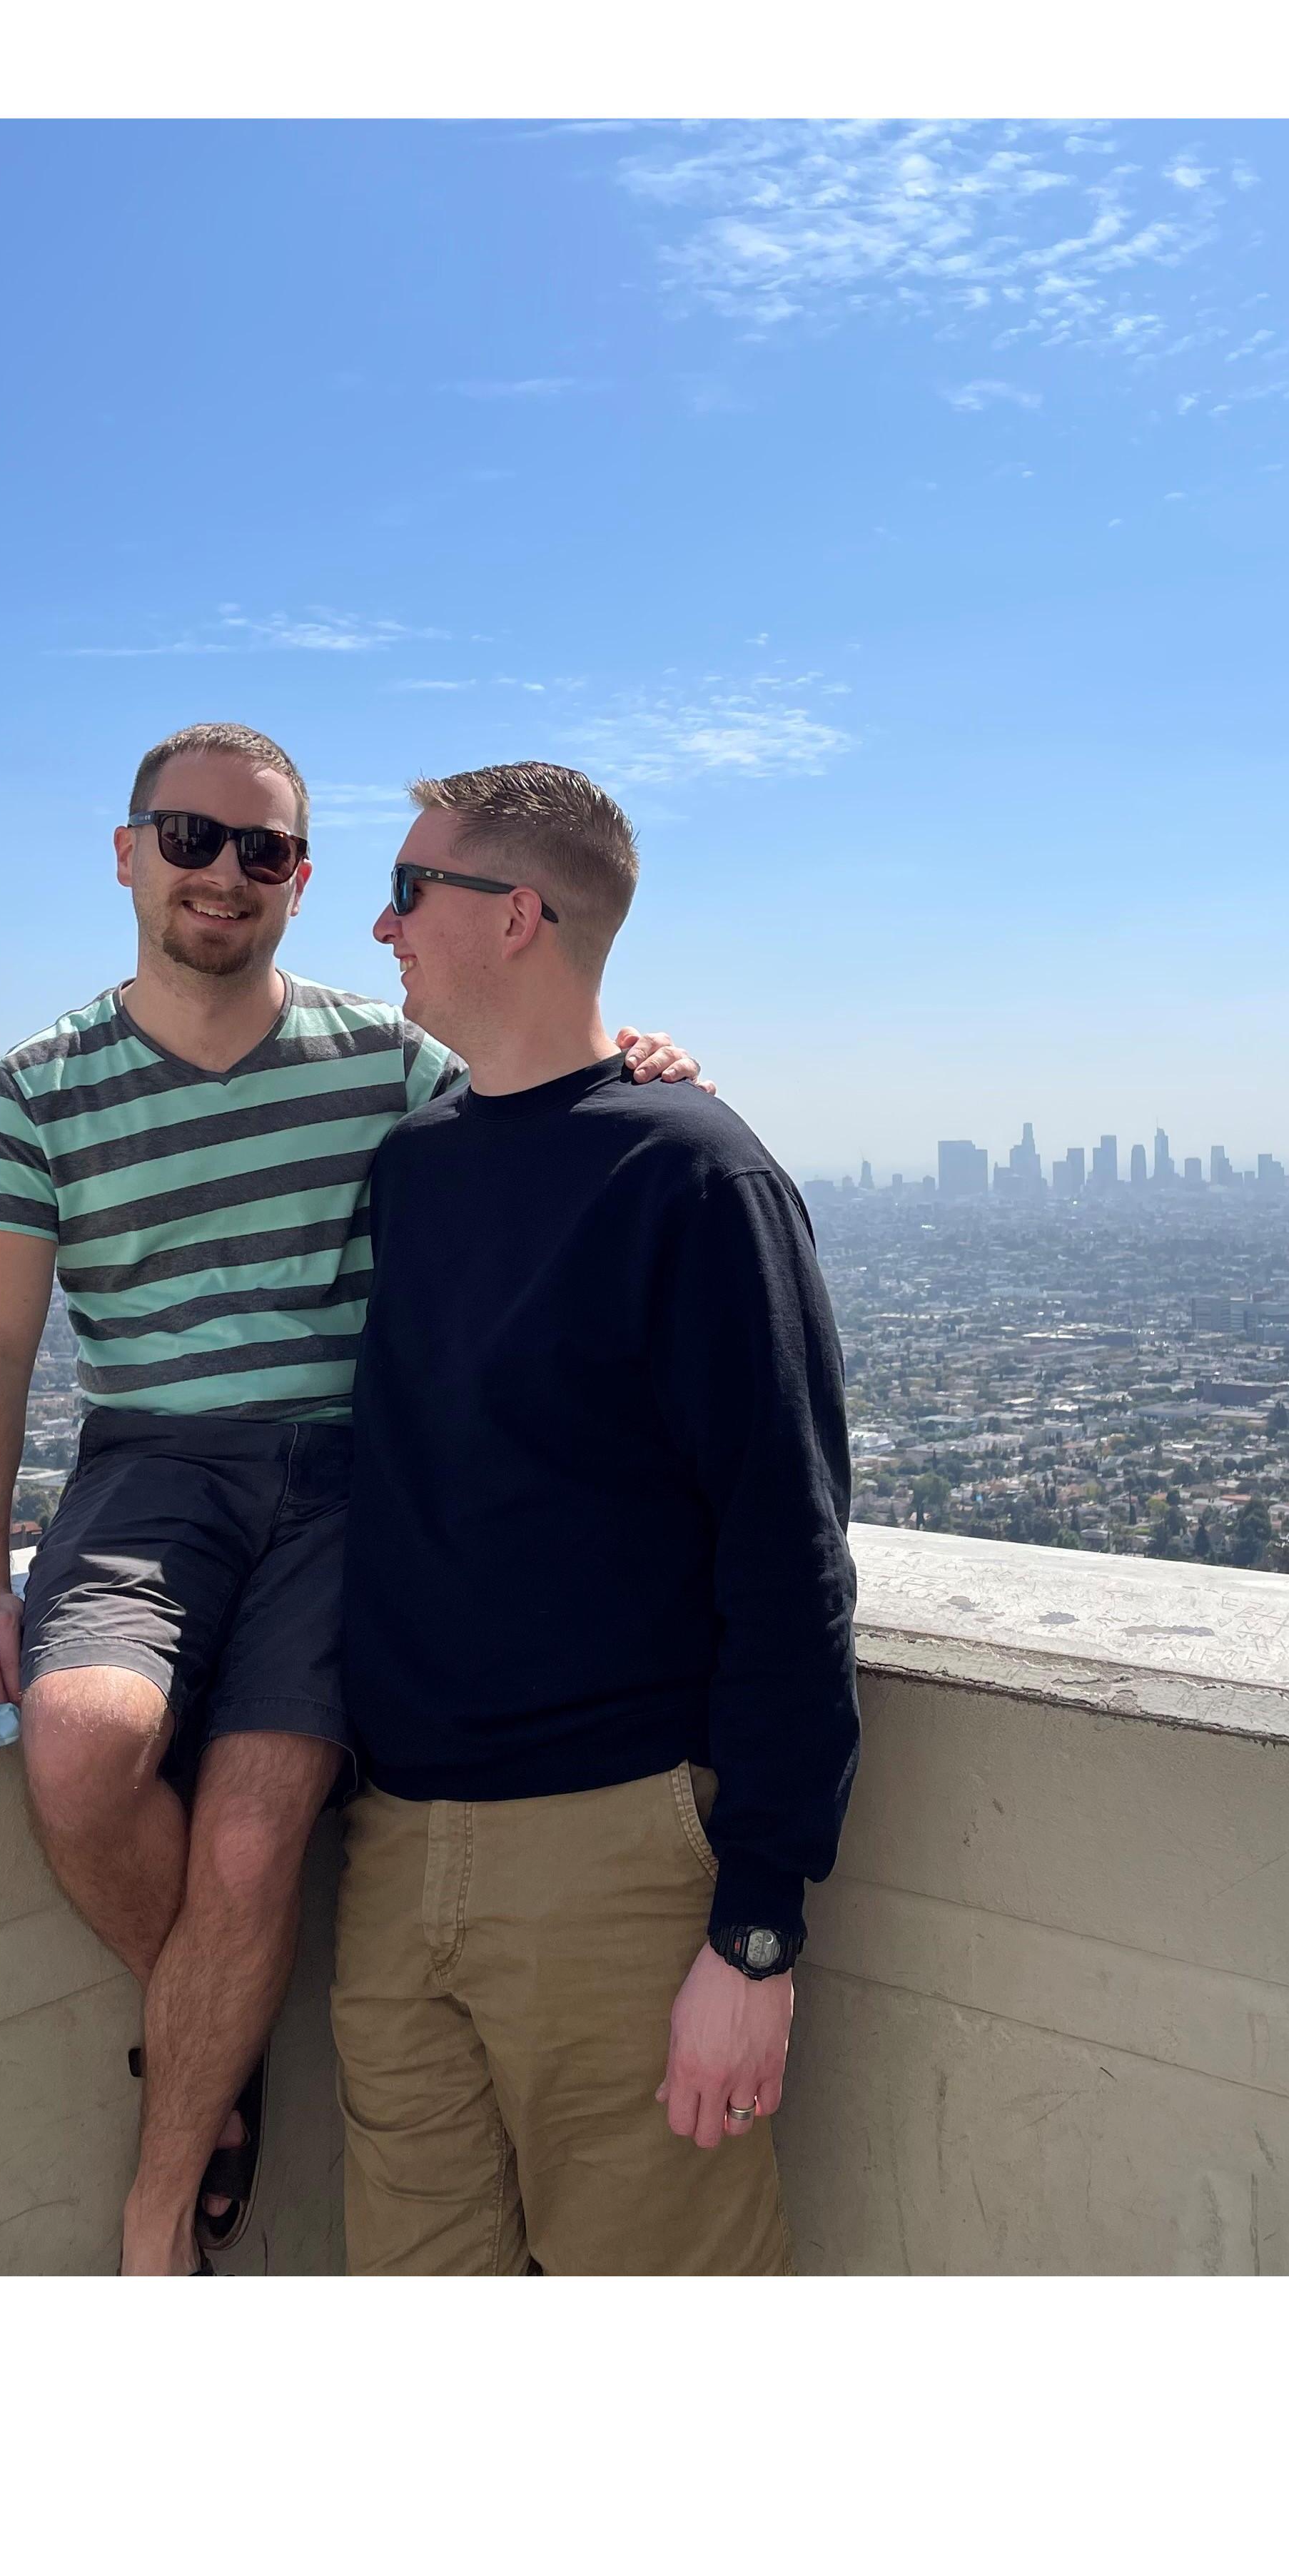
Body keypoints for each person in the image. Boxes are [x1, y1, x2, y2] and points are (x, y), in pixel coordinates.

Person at [0, 723, 703, 2276]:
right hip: (149, 1467)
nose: (225, 874)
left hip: (348, 1483)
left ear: (298, 879)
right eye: (192, 838)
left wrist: (644, 1061)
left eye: (263, 850)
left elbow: (540, 1077)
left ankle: (162, 2206)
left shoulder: (386, 1059)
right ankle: (216, 2052)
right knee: (80, 1753)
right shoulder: (39, 1088)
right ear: (128, 849)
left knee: (253, 1837)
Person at [335, 761, 858, 2274]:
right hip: (390, 1854)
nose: (381, 926)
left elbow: (790, 1558)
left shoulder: (692, 1178)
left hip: (614, 1869)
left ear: (516, 917)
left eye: (410, 890)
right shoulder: (414, 1173)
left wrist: (755, 1932)